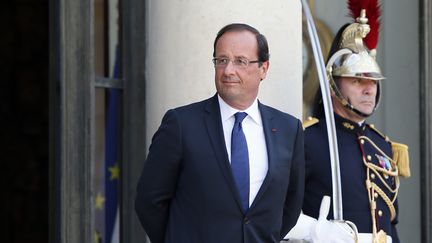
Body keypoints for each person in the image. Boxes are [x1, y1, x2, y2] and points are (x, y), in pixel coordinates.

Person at [135, 23, 305, 243]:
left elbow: (290, 206)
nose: (228, 71)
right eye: (221, 60)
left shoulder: (288, 129)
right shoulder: (181, 124)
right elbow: (149, 201)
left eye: (240, 61)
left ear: (264, 68)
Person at [286, 5, 410, 243]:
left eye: (373, 81)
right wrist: (314, 230)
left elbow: (391, 225)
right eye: (356, 80)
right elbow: (279, 214)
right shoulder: (307, 140)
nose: (368, 89)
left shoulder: (381, 145)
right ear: (333, 85)